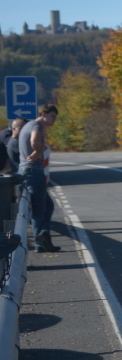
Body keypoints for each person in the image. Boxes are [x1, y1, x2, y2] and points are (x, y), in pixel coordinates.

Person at [18, 105, 60, 253]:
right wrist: (36, 150)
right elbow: (35, 139)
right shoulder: (36, 126)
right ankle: (39, 242)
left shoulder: (27, 125)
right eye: (53, 116)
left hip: (26, 171)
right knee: (39, 209)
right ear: (43, 114)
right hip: (33, 171)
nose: (54, 119)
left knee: (47, 206)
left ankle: (43, 236)